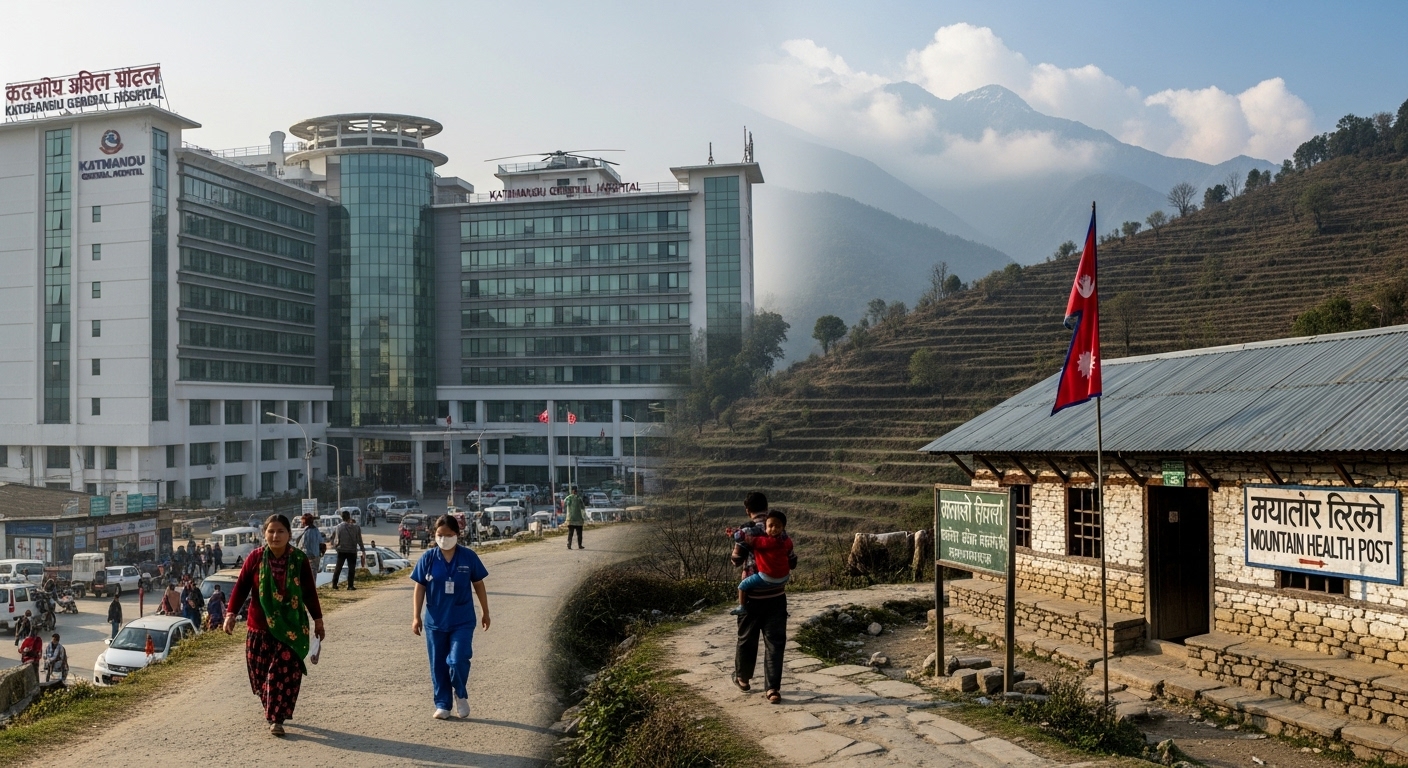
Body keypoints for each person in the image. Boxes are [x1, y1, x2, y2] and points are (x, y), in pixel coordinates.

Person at [224, 514, 325, 737]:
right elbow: (241, 587)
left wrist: (318, 620)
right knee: (260, 677)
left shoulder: (299, 560)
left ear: (289, 534)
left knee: (280, 673)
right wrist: (230, 614)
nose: (275, 535)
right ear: (264, 534)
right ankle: (272, 707)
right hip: (259, 628)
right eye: (271, 531)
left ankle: (276, 718)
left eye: (280, 531)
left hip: (291, 629)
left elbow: (309, 592)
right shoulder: (255, 558)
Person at [411, 515, 490, 720]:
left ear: (457, 534)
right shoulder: (428, 558)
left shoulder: (468, 557)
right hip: (435, 621)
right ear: (434, 534)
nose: (444, 539)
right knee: (438, 664)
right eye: (440, 535)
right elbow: (419, 587)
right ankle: (442, 704)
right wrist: (416, 616)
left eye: (449, 535)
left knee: (457, 660)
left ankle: (460, 694)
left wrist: (485, 612)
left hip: (462, 619)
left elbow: (479, 584)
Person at [730, 492, 795, 704]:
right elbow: (792, 561)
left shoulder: (746, 530)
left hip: (752, 596)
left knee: (747, 638)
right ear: (766, 507)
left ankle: (743, 679)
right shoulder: (781, 530)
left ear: (748, 510)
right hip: (777, 595)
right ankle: (773, 690)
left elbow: (736, 560)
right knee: (775, 642)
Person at [731, 510, 793, 617]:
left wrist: (738, 534)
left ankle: (742, 607)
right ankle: (783, 611)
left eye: (777, 526)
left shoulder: (766, 541)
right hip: (784, 578)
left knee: (742, 586)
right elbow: (791, 557)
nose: (773, 529)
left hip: (767, 577)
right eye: (771, 526)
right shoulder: (787, 541)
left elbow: (749, 540)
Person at [330, 510, 366, 590]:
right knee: (351, 568)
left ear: (342, 518)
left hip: (342, 550)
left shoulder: (339, 527)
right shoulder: (356, 527)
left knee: (338, 568)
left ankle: (334, 585)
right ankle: (350, 585)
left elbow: (337, 540)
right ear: (349, 517)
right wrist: (362, 550)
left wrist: (335, 547)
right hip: (352, 550)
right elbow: (359, 540)